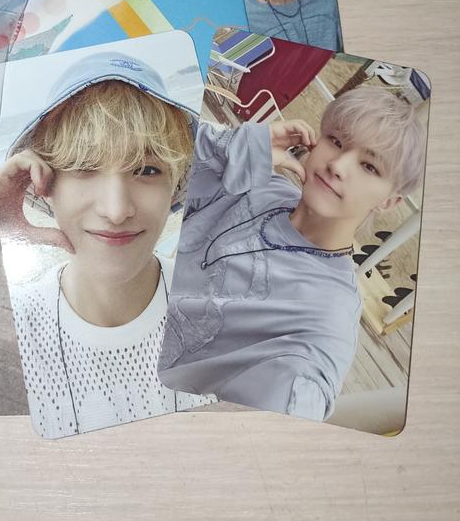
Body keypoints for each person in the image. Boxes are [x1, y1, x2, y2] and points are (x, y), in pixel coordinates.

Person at [159, 86, 426, 421]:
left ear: (389, 201)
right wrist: (238, 149)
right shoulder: (259, 184)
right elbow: (157, 149)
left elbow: (302, 387)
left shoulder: (326, 315)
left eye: (369, 166)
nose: (338, 165)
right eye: (336, 141)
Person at [0, 49, 211, 437]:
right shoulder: (10, 326)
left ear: (176, 185)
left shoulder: (220, 311)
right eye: (84, 167)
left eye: (147, 169)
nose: (116, 210)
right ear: (44, 184)